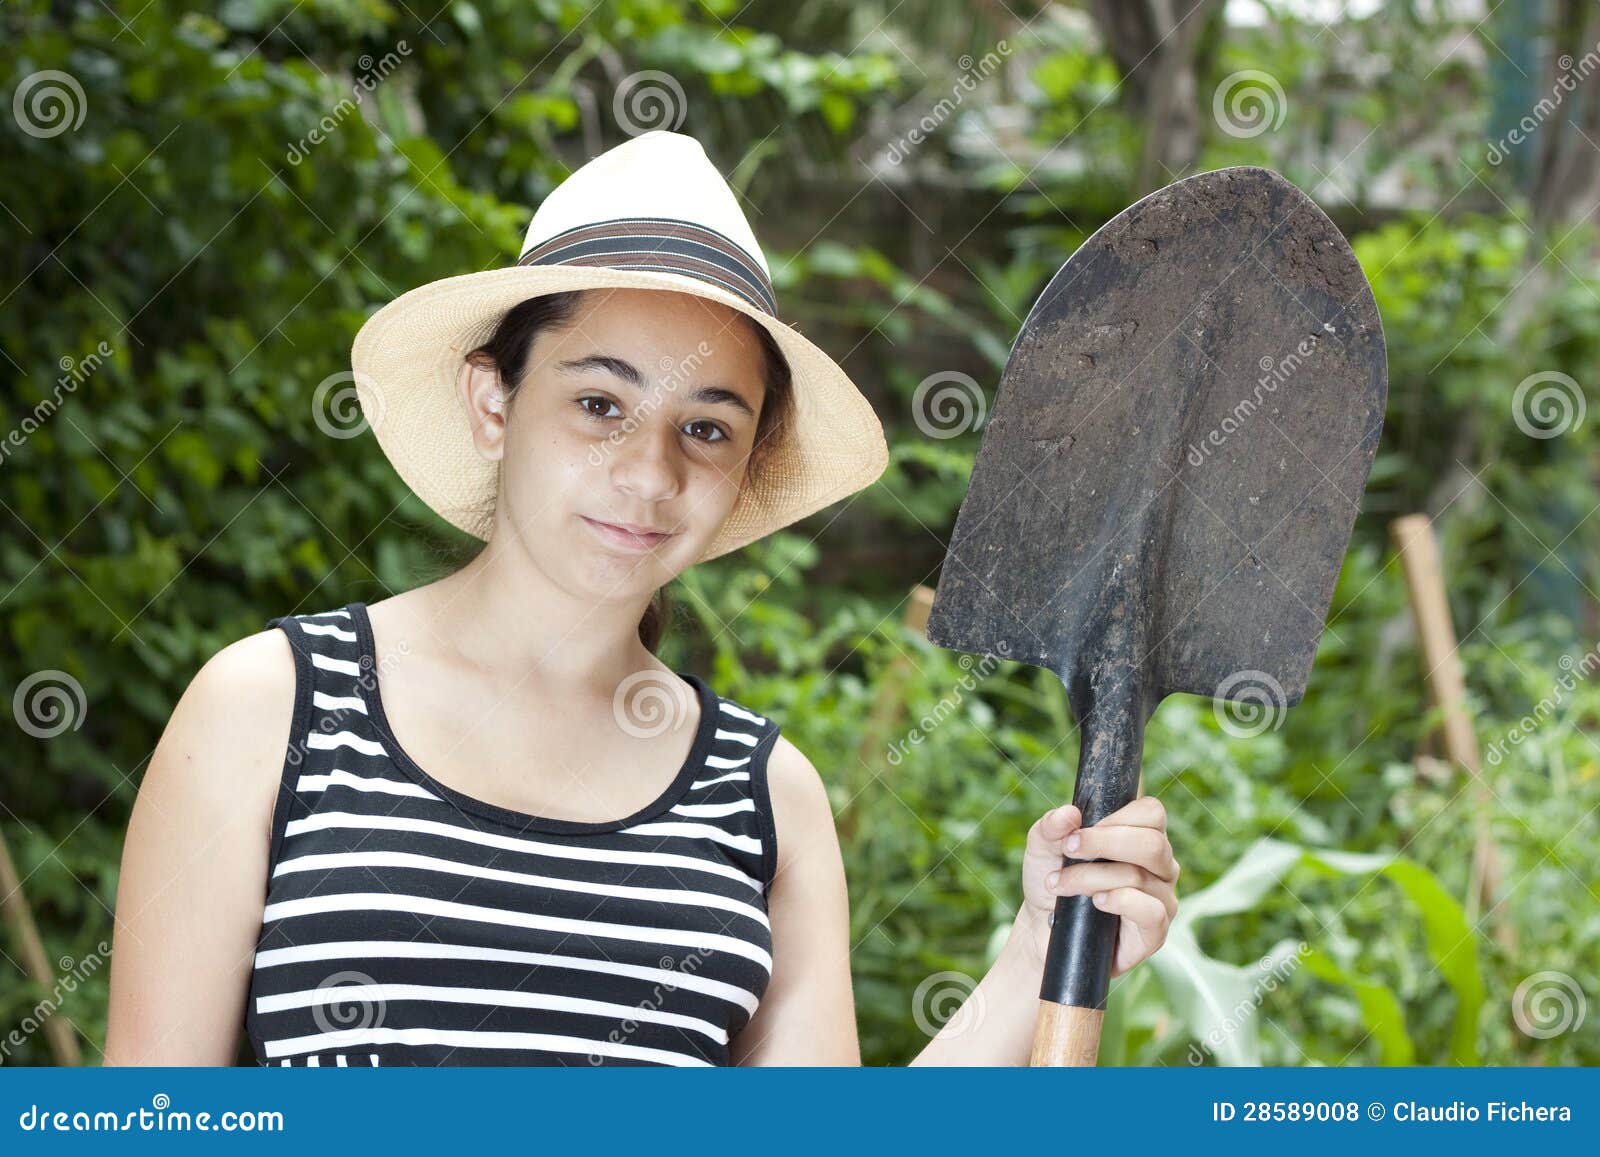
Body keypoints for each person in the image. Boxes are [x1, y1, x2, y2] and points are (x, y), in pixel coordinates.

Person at [104, 131, 1178, 1067]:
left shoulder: (762, 795)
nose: (650, 474)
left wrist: (1038, 944)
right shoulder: (271, 710)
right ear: (494, 399)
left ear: (749, 462)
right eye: (598, 401)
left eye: (705, 426)